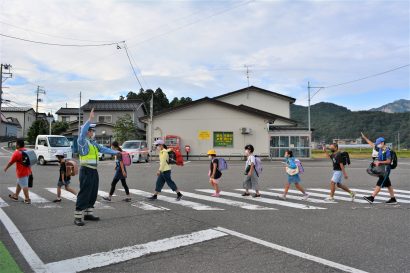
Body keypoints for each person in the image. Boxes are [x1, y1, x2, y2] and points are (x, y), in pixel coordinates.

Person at [75, 108, 119, 226]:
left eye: (92, 130)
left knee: (93, 192)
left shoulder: (92, 143)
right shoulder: (82, 141)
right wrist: (90, 119)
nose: (92, 132)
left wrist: (116, 153)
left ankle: (88, 213)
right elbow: (82, 131)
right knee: (84, 192)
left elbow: (103, 149)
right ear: (87, 131)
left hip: (94, 171)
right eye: (91, 130)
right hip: (86, 170)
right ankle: (78, 217)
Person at [361, 133, 397, 204]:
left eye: (378, 143)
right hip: (383, 169)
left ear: (382, 143)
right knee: (388, 184)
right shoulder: (380, 148)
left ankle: (372, 198)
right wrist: (365, 138)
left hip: (386, 170)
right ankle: (393, 199)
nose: (377, 145)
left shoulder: (387, 150)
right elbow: (372, 145)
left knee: (380, 182)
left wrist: (379, 162)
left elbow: (389, 161)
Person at [3, 139, 32, 204]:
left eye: (16, 144)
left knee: (24, 185)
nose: (15, 145)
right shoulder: (26, 150)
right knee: (19, 183)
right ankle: (16, 196)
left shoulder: (17, 153)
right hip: (27, 170)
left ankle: (27, 199)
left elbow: (11, 162)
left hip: (21, 172)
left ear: (18, 145)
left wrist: (6, 168)